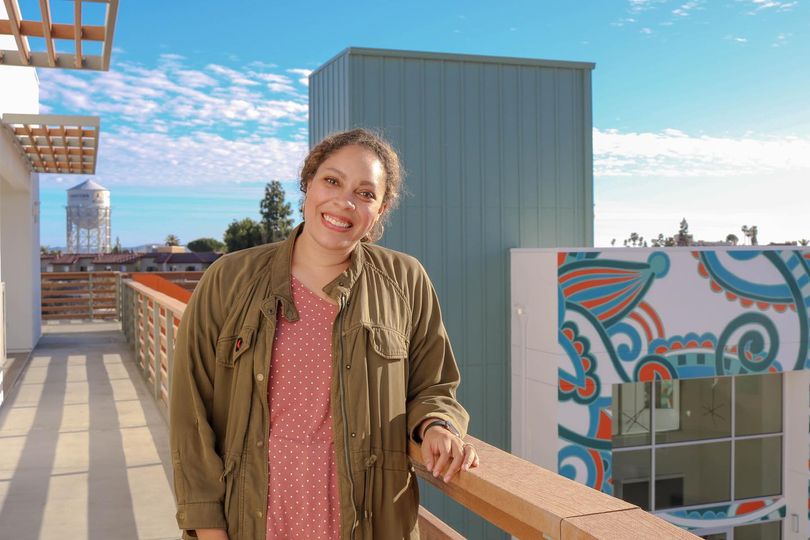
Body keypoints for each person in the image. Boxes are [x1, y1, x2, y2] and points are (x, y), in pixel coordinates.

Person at [169, 128, 479, 540]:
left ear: (381, 210)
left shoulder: (406, 279)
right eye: (332, 180)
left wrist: (437, 426)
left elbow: (434, 384)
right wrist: (209, 530)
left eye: (366, 193)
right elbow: (190, 414)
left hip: (368, 524)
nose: (344, 201)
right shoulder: (229, 279)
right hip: (255, 524)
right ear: (308, 184)